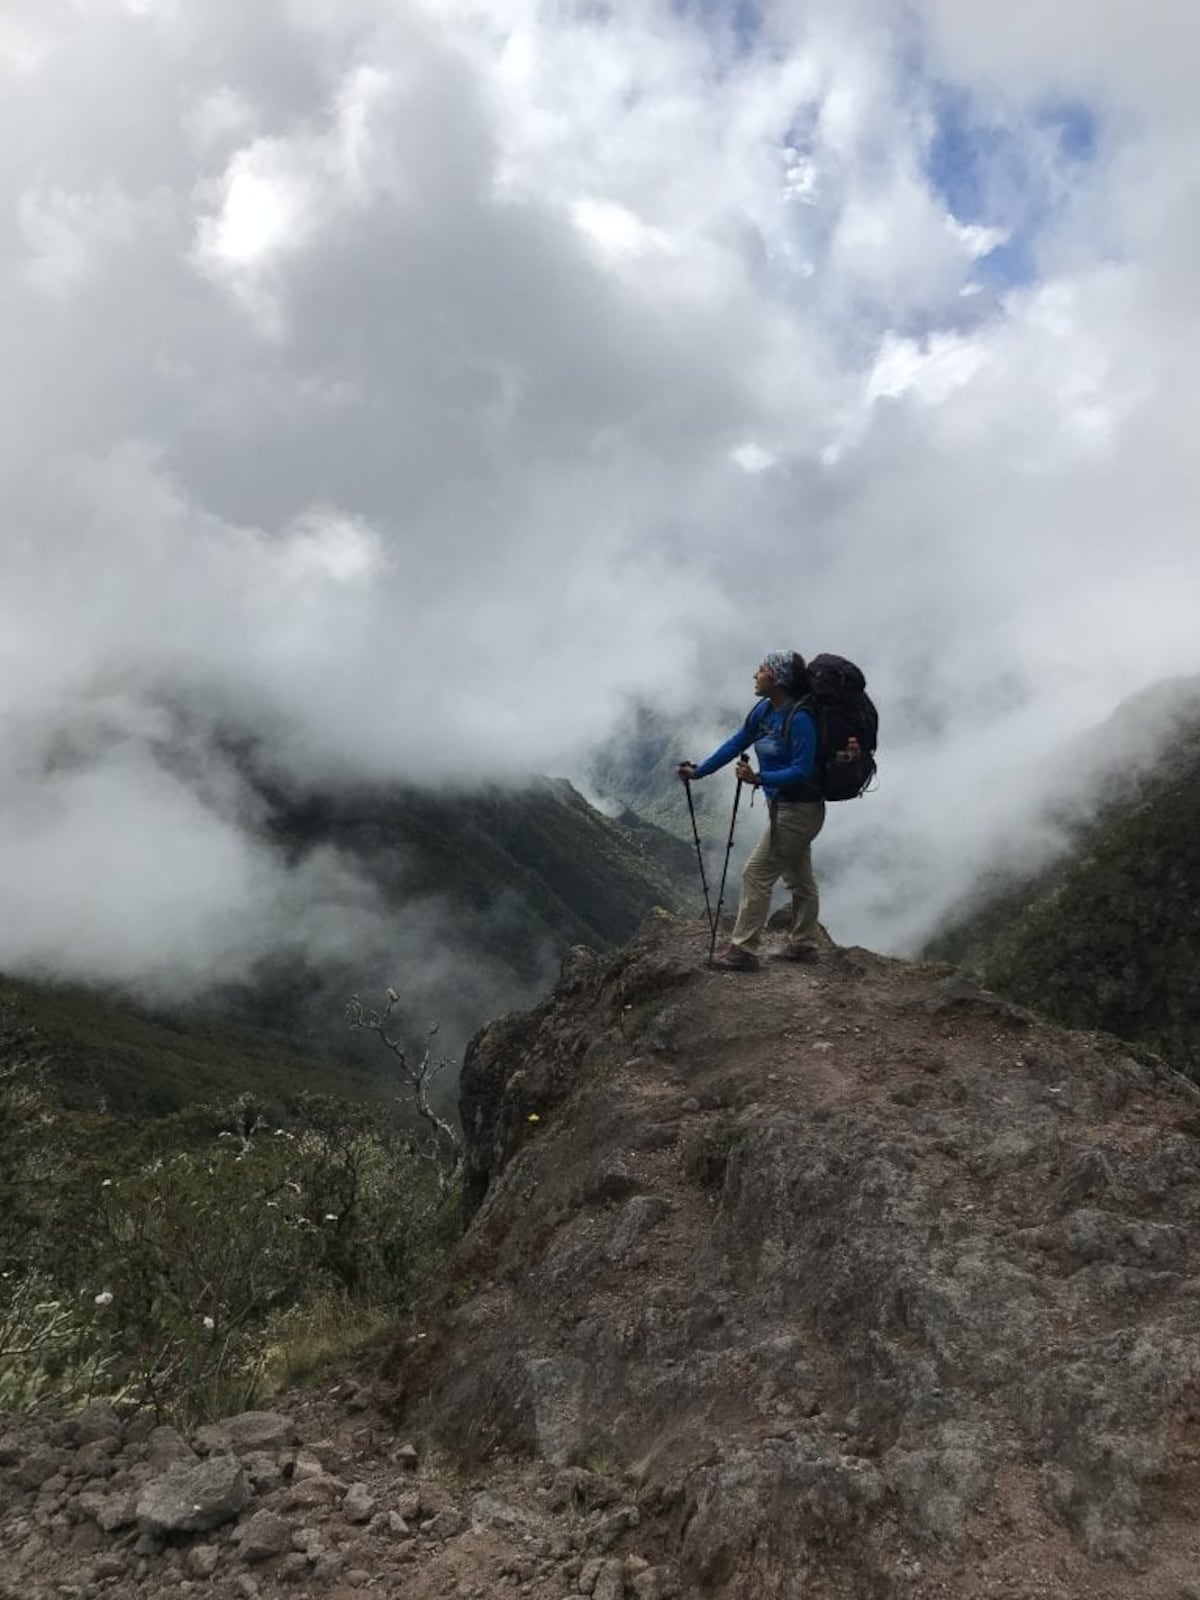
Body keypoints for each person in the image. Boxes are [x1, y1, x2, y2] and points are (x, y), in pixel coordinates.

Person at [678, 651, 824, 971]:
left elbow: (802, 770)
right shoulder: (764, 710)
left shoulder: (799, 720)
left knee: (755, 874)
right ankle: (803, 944)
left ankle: (744, 950)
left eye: (762, 670)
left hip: (799, 810)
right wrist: (699, 771)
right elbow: (737, 742)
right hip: (783, 806)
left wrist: (759, 778)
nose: (755, 675)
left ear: (777, 679)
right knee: (799, 876)